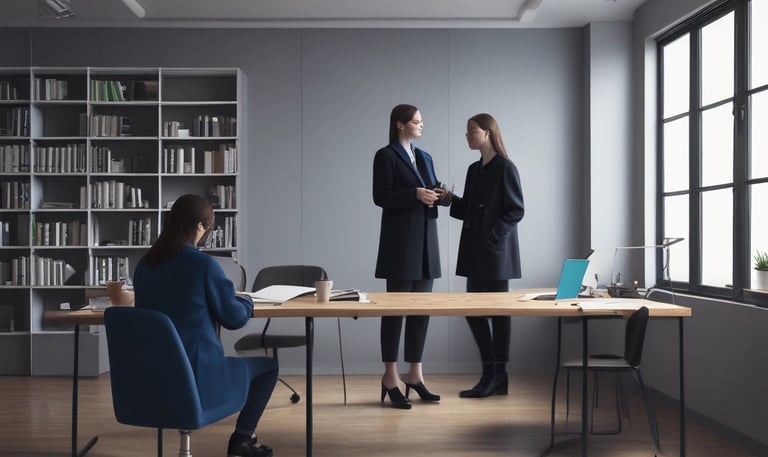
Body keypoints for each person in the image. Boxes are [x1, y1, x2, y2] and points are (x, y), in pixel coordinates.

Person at [133, 194, 277, 457]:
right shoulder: (202, 264)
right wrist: (246, 302)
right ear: (200, 226)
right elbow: (234, 318)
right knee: (268, 368)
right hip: (199, 377)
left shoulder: (144, 266)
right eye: (207, 228)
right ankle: (242, 440)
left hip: (154, 379)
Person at [372, 104, 448, 409]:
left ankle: (415, 374)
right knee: (395, 311)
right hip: (400, 244)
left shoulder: (425, 156)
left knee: (421, 311)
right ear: (399, 124)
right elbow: (380, 196)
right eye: (416, 121)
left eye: (421, 121)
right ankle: (390, 376)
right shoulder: (386, 155)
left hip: (427, 242)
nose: (421, 125)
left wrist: (438, 195)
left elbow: (431, 189)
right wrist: (414, 194)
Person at [448, 113, 525, 398]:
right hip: (474, 253)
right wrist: (448, 199)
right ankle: (491, 374)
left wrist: (492, 237)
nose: (467, 135)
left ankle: (497, 376)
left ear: (488, 133)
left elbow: (516, 210)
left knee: (499, 314)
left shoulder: (505, 167)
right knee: (474, 311)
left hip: (495, 255)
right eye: (467, 131)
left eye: (472, 130)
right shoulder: (473, 169)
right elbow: (468, 208)